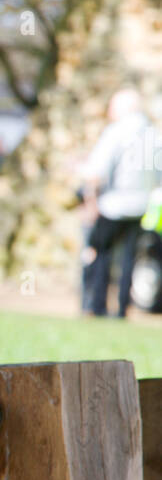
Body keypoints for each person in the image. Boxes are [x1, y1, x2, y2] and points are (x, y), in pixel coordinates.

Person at [79, 88, 157, 317]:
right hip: (141, 206)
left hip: (114, 204)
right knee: (129, 259)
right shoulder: (153, 134)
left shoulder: (116, 132)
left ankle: (98, 306)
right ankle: (123, 308)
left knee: (101, 253)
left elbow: (97, 170)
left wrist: (89, 195)